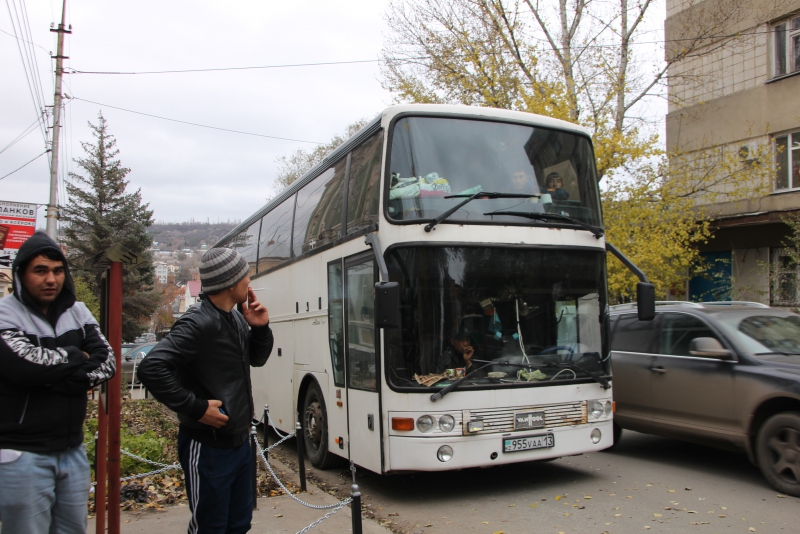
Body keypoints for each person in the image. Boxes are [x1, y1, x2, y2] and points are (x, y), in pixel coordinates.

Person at [138, 248, 273, 534]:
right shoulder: (198, 321)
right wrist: (197, 408)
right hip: (208, 446)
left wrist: (260, 329)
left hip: (239, 443)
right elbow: (152, 368)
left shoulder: (235, 318)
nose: (250, 280)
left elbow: (257, 360)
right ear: (232, 282)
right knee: (209, 527)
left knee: (238, 525)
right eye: (246, 275)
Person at [0, 231, 115, 534]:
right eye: (40, 271)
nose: (51, 279)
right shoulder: (5, 314)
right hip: (22, 456)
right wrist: (77, 353)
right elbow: (25, 367)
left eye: (57, 270)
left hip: (72, 451)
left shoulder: (77, 312)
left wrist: (56, 377)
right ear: (21, 274)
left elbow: (107, 362)